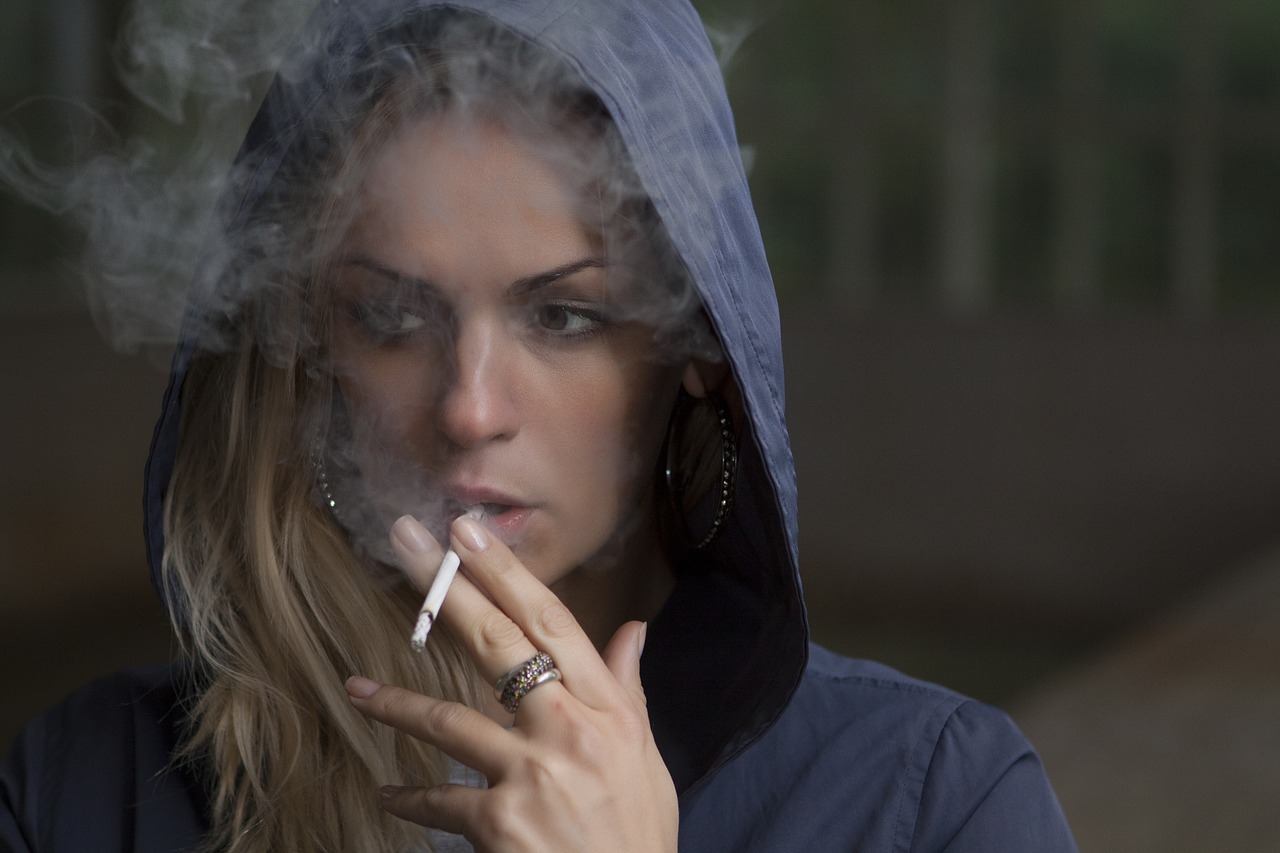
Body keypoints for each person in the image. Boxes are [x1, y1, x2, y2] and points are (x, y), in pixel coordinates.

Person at [0, 0, 1077, 850]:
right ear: (310, 354)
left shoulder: (935, 803)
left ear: (694, 352)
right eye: (388, 316)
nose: (468, 408)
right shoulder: (81, 791)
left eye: (562, 316)